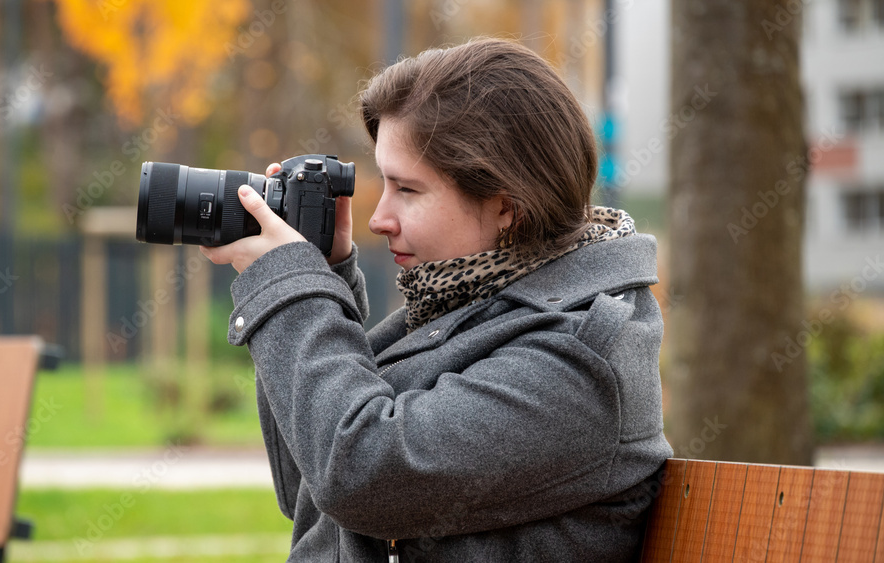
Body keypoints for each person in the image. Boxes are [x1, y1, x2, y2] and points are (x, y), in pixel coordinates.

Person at [202, 37, 672, 562]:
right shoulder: (474, 307)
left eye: (407, 190)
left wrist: (293, 290)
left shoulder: (580, 359)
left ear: (506, 207)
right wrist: (323, 278)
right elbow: (308, 487)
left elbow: (362, 477)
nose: (378, 219)